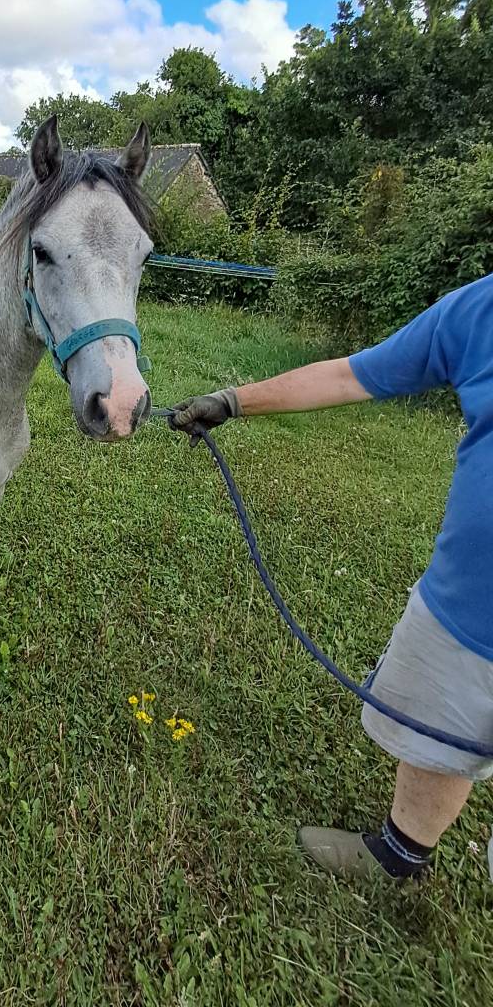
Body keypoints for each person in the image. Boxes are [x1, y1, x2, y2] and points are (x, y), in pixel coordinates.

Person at [167, 273, 493, 882]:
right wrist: (234, 401)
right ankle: (400, 853)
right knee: (442, 732)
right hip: (465, 606)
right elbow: (350, 375)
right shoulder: (480, 309)